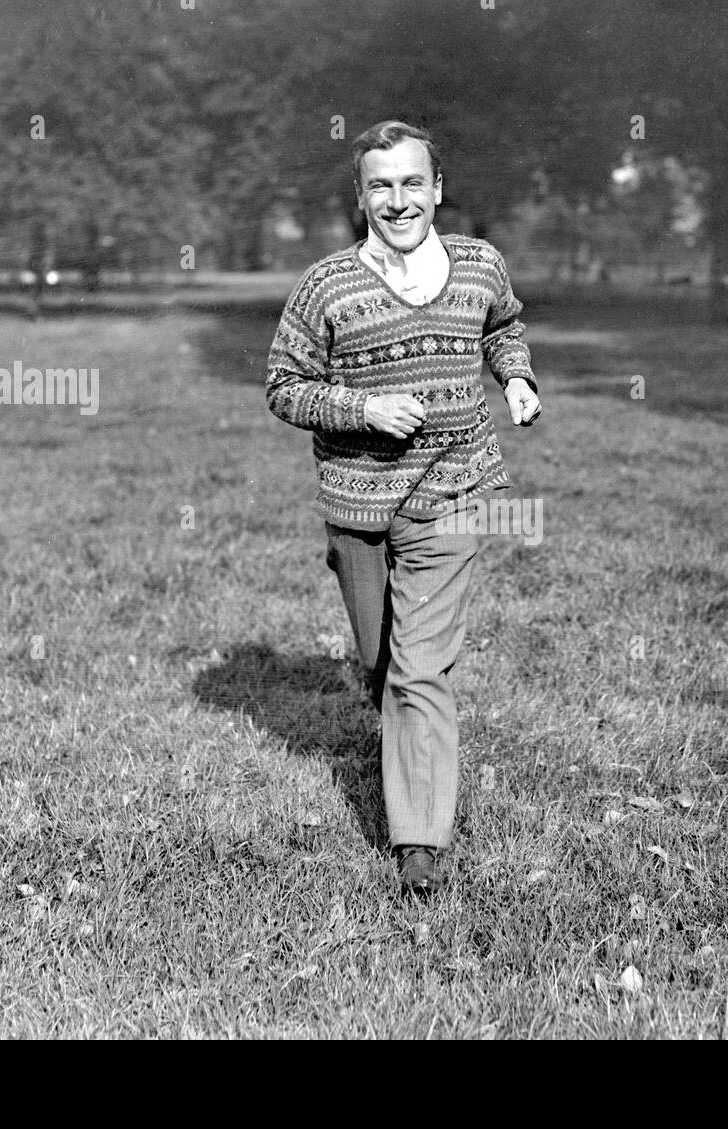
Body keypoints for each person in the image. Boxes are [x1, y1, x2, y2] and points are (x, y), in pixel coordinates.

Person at [264, 120, 541, 894]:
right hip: (358, 502)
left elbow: (503, 324)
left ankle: (418, 840)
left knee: (419, 671)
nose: (398, 199)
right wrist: (363, 409)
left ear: (438, 189)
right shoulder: (327, 286)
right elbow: (284, 386)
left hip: (455, 488)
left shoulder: (480, 264)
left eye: (412, 182)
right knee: (381, 663)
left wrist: (515, 377)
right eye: (380, 186)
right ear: (361, 198)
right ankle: (402, 733)